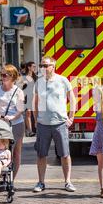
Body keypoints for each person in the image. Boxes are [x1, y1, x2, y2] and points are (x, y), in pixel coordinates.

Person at [32, 56, 77, 193]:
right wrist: (35, 120)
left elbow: (73, 99)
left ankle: (68, 181)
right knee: (41, 154)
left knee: (64, 154)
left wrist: (71, 117)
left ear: (53, 66)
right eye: (42, 65)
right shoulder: (38, 83)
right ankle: (41, 182)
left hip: (60, 123)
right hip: (43, 124)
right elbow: (35, 102)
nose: (43, 68)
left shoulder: (63, 80)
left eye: (46, 65)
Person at [0, 65, 25, 181]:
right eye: (2, 75)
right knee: (1, 150)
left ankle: (11, 179)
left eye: (5, 75)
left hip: (16, 124)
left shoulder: (18, 91)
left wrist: (13, 117)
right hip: (1, 125)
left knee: (16, 153)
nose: (3, 77)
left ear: (12, 76)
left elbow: (20, 109)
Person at [20, 62, 37, 137]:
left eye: (35, 66)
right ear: (29, 67)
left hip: (35, 97)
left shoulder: (35, 77)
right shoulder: (23, 76)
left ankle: (36, 129)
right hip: (27, 96)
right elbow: (20, 87)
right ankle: (30, 131)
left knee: (36, 113)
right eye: (33, 66)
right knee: (28, 113)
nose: (34, 68)